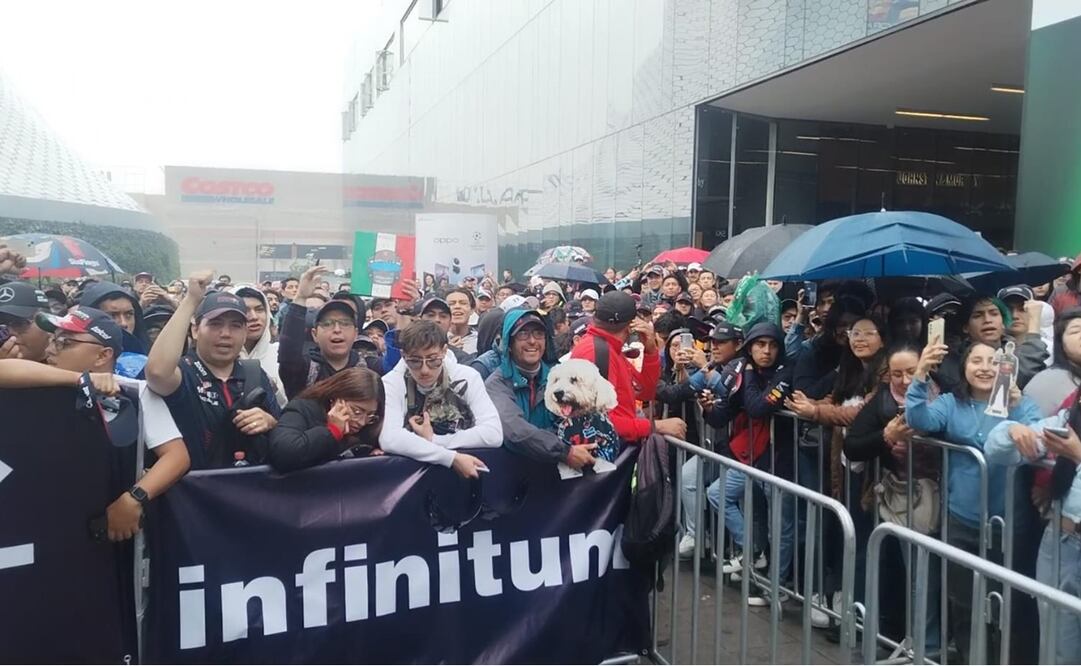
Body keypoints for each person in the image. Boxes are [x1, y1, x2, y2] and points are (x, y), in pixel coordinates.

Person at [0, 308, 190, 542]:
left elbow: (177, 456)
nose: (50, 348)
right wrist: (81, 380)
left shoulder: (134, 392)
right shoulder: (39, 382)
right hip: (40, 523)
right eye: (52, 340)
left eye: (64, 342)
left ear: (102, 356)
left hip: (107, 533)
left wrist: (134, 498)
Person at [906, 339, 1042, 662]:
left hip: (1010, 522)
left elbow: (1038, 436)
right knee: (964, 600)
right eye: (976, 361)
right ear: (964, 368)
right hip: (962, 518)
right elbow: (918, 419)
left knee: (1011, 602)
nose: (984, 368)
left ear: (1006, 367)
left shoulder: (1020, 403)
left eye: (993, 362)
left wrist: (1019, 405)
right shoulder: (952, 403)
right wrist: (921, 373)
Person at [844, 343, 942, 649]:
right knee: (913, 571)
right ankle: (920, 643)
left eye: (912, 372)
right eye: (896, 374)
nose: (903, 380)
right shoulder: (882, 399)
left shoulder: (946, 393)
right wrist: (887, 436)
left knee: (937, 574)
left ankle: (930, 642)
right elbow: (853, 445)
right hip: (903, 496)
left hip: (946, 492)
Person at [145, 270, 281, 469]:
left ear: (245, 333)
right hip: (192, 493)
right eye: (216, 324)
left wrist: (270, 423)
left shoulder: (255, 373)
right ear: (195, 330)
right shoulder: (183, 373)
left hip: (250, 491)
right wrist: (191, 300)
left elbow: (285, 431)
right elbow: (157, 372)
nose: (225, 334)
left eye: (235, 326)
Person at [703, 323, 794, 600]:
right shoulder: (743, 372)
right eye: (759, 344)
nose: (766, 351)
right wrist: (708, 408)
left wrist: (750, 373)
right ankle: (753, 551)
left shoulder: (784, 372)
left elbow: (757, 407)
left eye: (772, 345)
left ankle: (776, 589)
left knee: (782, 526)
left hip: (779, 461)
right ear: (750, 346)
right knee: (718, 494)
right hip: (751, 459)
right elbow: (724, 414)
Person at [379, 320, 500, 477]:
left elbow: (493, 434)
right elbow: (389, 438)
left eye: (433, 360)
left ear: (444, 351)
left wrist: (435, 440)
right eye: (414, 361)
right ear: (403, 355)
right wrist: (451, 458)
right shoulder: (391, 382)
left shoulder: (467, 377)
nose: (424, 370)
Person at [571, 291, 684, 441]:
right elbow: (597, 422)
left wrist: (650, 351)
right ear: (631, 324)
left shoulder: (610, 347)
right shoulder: (597, 352)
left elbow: (645, 392)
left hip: (616, 448)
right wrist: (656, 426)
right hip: (604, 456)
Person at [485, 310, 591, 468]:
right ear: (509, 343)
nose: (533, 341)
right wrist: (564, 451)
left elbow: (581, 418)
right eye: (523, 334)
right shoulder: (497, 384)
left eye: (539, 334)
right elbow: (516, 431)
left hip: (559, 471)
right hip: (514, 474)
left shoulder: (560, 377)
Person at [267, 367, 384, 472]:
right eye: (357, 412)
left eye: (370, 415)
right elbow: (283, 453)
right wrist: (332, 432)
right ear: (335, 399)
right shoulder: (303, 409)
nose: (361, 422)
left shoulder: (370, 427)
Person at [278, 265, 371, 399]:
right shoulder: (303, 370)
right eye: (328, 324)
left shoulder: (369, 368)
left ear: (356, 333)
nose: (337, 330)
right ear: (315, 334)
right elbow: (288, 354)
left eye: (345, 323)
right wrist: (300, 298)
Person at [230, 285, 285, 406]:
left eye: (259, 309)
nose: (254, 317)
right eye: (245, 310)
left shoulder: (280, 354)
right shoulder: (220, 359)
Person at [78, 281, 150, 353]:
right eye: (112, 316)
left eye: (129, 315)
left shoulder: (148, 358)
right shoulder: (74, 359)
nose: (123, 323)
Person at [0, 281, 52, 362]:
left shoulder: (69, 366)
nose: (9, 332)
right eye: (1, 326)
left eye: (20, 323)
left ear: (48, 324)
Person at [446, 288, 478, 355]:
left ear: (472, 309)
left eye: (463, 303)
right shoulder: (436, 340)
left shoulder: (480, 340)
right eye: (451, 304)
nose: (457, 307)